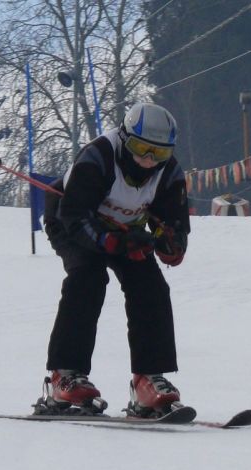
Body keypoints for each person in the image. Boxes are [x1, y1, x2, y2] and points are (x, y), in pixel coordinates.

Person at [39, 102, 190, 418]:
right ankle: (64, 375)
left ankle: (148, 379)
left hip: (127, 231)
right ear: (124, 138)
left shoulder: (169, 173)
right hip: (71, 220)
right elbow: (75, 217)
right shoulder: (98, 157)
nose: (148, 161)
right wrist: (112, 242)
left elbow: (174, 226)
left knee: (151, 288)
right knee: (88, 278)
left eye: (158, 154)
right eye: (140, 149)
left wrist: (169, 244)